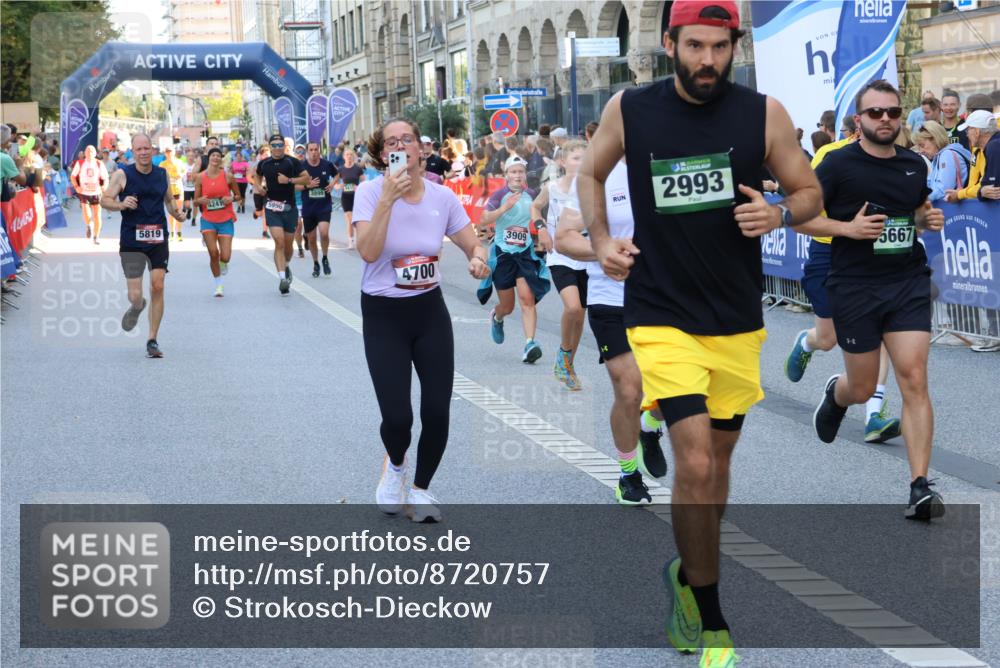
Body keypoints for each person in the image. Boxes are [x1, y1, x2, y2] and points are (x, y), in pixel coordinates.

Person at [577, 2, 822, 663]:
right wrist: (600, 240)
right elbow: (590, 171)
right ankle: (714, 622)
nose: (707, 59)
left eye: (719, 47)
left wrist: (779, 211)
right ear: (669, 44)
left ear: (734, 46)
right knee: (694, 461)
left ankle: (689, 574)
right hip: (658, 310)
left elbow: (809, 192)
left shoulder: (761, 114)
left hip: (736, 317)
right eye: (694, 46)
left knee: (717, 471)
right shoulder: (631, 108)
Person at [810, 80, 946, 521]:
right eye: (875, 113)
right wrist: (847, 229)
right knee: (864, 386)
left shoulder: (913, 164)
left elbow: (917, 211)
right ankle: (838, 395)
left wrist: (927, 217)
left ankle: (919, 486)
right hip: (854, 286)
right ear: (858, 120)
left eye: (892, 112)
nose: (885, 119)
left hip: (906, 278)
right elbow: (799, 218)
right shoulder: (836, 165)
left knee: (914, 377)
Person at [353, 117, 490, 522]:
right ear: (382, 154)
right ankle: (395, 465)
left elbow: (472, 243)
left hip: (429, 311)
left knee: (437, 411)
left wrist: (478, 259)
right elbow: (367, 252)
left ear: (420, 150)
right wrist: (386, 201)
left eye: (407, 139)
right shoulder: (368, 193)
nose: (400, 147)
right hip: (383, 313)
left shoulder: (441, 196)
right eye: (391, 142)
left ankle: (421, 489)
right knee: (398, 417)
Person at [557, 156, 669, 504]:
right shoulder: (600, 177)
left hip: (668, 301)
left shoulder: (677, 165)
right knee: (629, 388)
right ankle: (628, 474)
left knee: (673, 390)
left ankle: (649, 428)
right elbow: (563, 237)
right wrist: (602, 251)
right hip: (611, 299)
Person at [785, 121, 904, 444]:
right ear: (857, 125)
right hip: (829, 253)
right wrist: (849, 226)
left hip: (873, 260)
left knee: (879, 333)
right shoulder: (830, 154)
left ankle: (873, 416)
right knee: (829, 338)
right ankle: (807, 342)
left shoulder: (899, 158)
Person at [100, 134, 184, 358]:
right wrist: (121, 204)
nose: (144, 152)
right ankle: (137, 307)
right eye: (139, 149)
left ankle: (152, 339)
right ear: (133, 151)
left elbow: (168, 200)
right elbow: (104, 199)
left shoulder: (161, 174)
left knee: (158, 285)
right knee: (135, 294)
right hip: (132, 240)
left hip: (158, 238)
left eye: (147, 148)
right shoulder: (122, 174)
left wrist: (177, 213)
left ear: (152, 150)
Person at [479, 155, 553, 364]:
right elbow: (483, 219)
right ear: (507, 175)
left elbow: (541, 218)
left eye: (520, 171)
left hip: (524, 254)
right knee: (508, 306)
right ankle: (497, 316)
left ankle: (530, 343)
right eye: (513, 172)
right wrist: (503, 209)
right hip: (503, 254)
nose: (517, 176)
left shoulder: (532, 195)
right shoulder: (499, 195)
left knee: (527, 299)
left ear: (524, 174)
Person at [530, 139, 589, 390]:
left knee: (580, 316)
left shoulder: (592, 189)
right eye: (576, 158)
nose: (582, 163)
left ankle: (567, 365)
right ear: (562, 162)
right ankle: (564, 354)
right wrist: (541, 229)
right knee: (573, 308)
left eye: (586, 158)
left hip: (587, 255)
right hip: (560, 254)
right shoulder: (552, 187)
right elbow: (535, 207)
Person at [253, 134, 310, 294]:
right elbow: (256, 175)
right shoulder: (264, 163)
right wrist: (259, 186)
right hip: (272, 208)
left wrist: (290, 180)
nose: (277, 148)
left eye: (280, 145)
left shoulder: (292, 162)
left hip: (289, 209)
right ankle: (282, 278)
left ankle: (285, 265)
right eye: (274, 145)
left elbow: (306, 179)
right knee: (279, 242)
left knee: (288, 246)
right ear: (270, 146)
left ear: (284, 147)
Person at [195, 147, 242, 297]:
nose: (215, 158)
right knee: (213, 253)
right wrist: (200, 200)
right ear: (208, 158)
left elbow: (238, 196)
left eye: (218, 156)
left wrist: (232, 198)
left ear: (221, 159)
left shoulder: (228, 177)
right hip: (208, 220)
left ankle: (223, 264)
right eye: (213, 155)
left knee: (225, 256)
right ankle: (218, 285)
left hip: (226, 219)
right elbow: (196, 201)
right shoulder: (200, 177)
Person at [300, 142, 337, 277]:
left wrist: (332, 183)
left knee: (324, 233)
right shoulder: (302, 167)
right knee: (312, 239)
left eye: (316, 149)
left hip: (324, 205)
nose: (314, 152)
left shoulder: (326, 164)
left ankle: (325, 258)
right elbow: (295, 186)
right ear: (307, 151)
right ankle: (316, 263)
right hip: (309, 207)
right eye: (311, 150)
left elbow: (337, 174)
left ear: (319, 150)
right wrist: (307, 186)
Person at [915, 121, 972, 202]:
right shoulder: (941, 155)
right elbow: (931, 183)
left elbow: (944, 190)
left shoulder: (946, 155)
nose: (920, 151)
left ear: (935, 139)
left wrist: (917, 199)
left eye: (922, 145)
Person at [70, 145, 108, 244]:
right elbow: (73, 176)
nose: (89, 153)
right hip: (84, 192)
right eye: (87, 151)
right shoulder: (80, 163)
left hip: (96, 192)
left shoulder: (99, 164)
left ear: (95, 153)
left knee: (97, 215)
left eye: (91, 151)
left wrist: (104, 186)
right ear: (84, 153)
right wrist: (76, 186)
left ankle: (96, 237)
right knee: (86, 213)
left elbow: (105, 178)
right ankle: (88, 225)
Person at [337, 147, 365, 249]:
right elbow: (334, 183)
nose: (349, 156)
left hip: (356, 197)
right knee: (349, 219)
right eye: (347, 154)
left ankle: (360, 240)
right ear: (344, 157)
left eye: (351, 154)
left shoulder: (357, 169)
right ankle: (351, 241)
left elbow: (364, 182)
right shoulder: (340, 169)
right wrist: (338, 186)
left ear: (353, 156)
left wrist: (358, 187)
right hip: (346, 197)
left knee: (357, 220)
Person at [161, 146, 186, 241]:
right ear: (165, 153)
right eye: (167, 152)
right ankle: (171, 232)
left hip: (178, 190)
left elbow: (185, 171)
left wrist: (181, 175)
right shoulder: (162, 164)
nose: (169, 153)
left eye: (170, 151)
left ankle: (179, 232)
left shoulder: (179, 162)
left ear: (174, 152)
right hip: (168, 191)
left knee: (179, 211)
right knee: (171, 212)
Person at [250, 145, 271, 238]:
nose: (267, 156)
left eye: (268, 154)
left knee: (266, 211)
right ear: (261, 156)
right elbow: (248, 177)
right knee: (259, 212)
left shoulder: (272, 165)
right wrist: (257, 185)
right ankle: (256, 212)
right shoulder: (256, 165)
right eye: (265, 154)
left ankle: (265, 231)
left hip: (268, 191)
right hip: (258, 192)